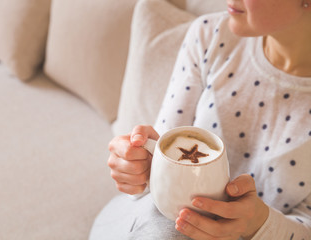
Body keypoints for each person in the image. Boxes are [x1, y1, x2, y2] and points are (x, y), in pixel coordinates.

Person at [90, 0, 311, 239]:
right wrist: (137, 167)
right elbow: (160, 167)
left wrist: (259, 224)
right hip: (150, 222)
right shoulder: (211, 35)